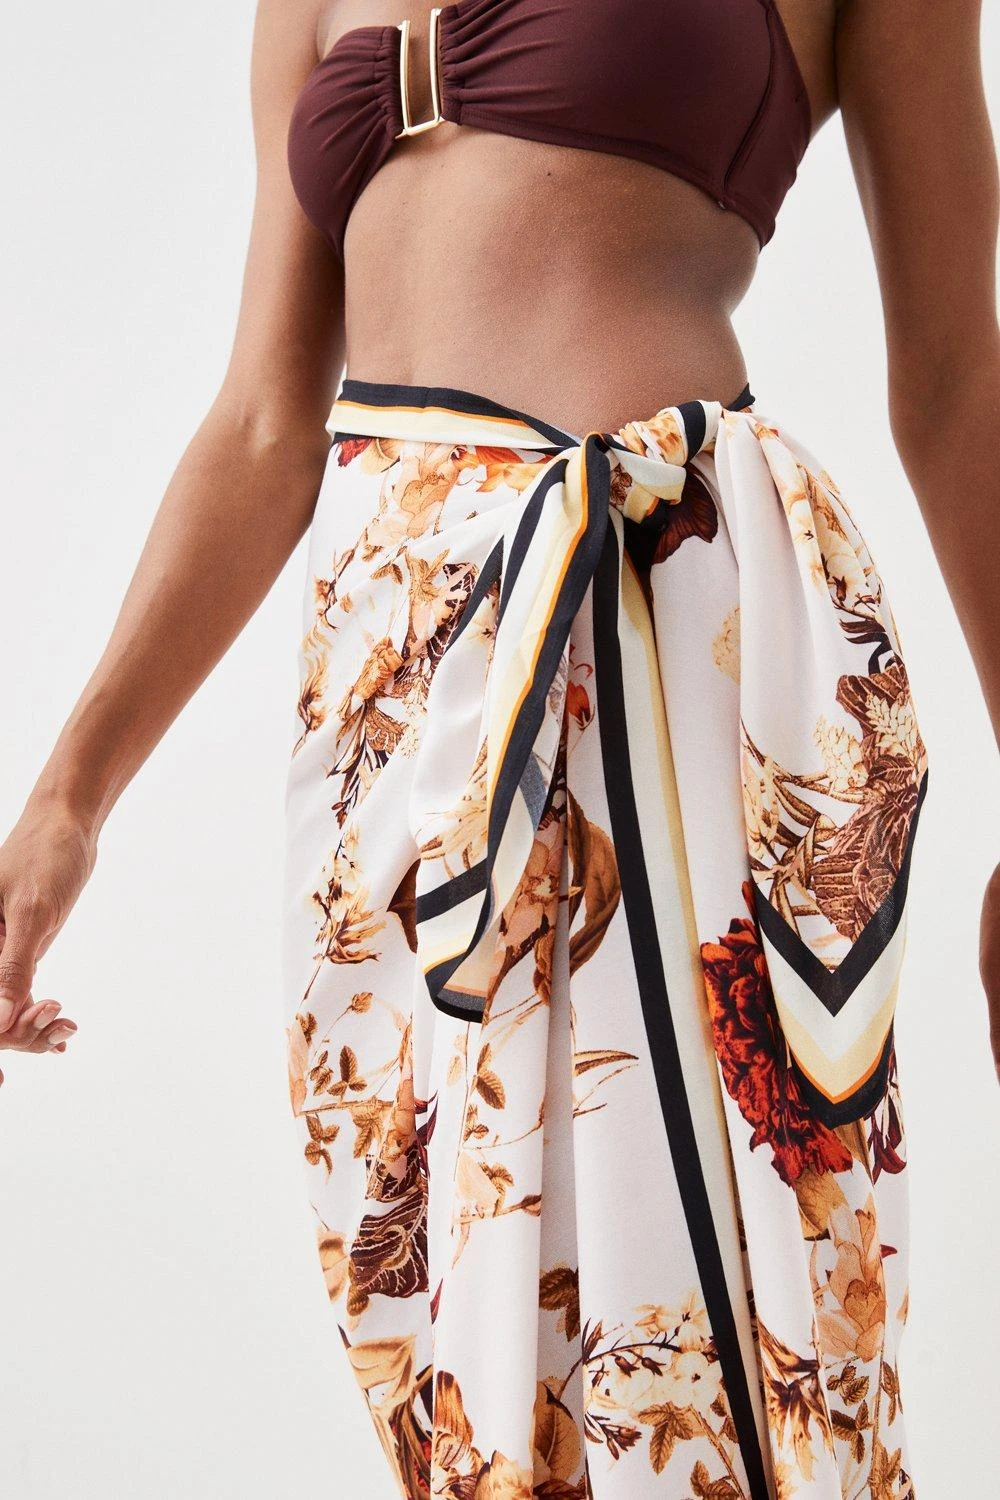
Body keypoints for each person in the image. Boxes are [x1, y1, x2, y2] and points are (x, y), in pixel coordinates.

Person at [2, 0, 998, 1495]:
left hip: (650, 626)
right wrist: (67, 801)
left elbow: (959, 379)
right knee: (442, 1331)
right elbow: (264, 424)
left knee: (714, 1332)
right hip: (389, 705)